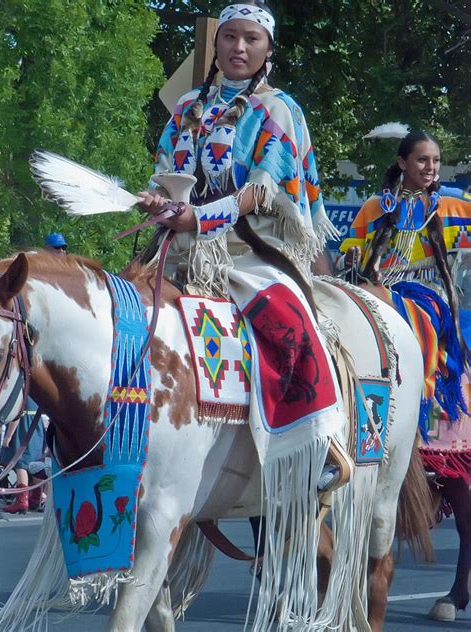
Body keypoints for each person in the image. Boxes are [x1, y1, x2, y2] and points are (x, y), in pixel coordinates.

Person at [138, 0, 347, 487]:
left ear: (268, 49)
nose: (239, 46)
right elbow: (168, 166)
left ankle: (319, 441)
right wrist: (160, 201)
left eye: (251, 38)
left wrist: (201, 217)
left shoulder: (278, 109)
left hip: (250, 247)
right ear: (217, 44)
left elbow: (261, 188)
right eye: (230, 36)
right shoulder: (189, 107)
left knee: (289, 322)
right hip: (180, 246)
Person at [338, 129, 470, 438]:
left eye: (436, 161)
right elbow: (347, 253)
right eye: (422, 160)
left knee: (405, 311)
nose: (430, 168)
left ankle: (417, 405)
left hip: (429, 293)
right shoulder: (375, 207)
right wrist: (352, 260)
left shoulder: (448, 205)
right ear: (402, 162)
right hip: (378, 289)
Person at [0, 398, 46, 513]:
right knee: (35, 462)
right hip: (37, 424)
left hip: (23, 426)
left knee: (20, 463)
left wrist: (8, 436)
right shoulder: (37, 392)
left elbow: (17, 413)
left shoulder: (21, 389)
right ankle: (36, 498)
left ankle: (22, 501)